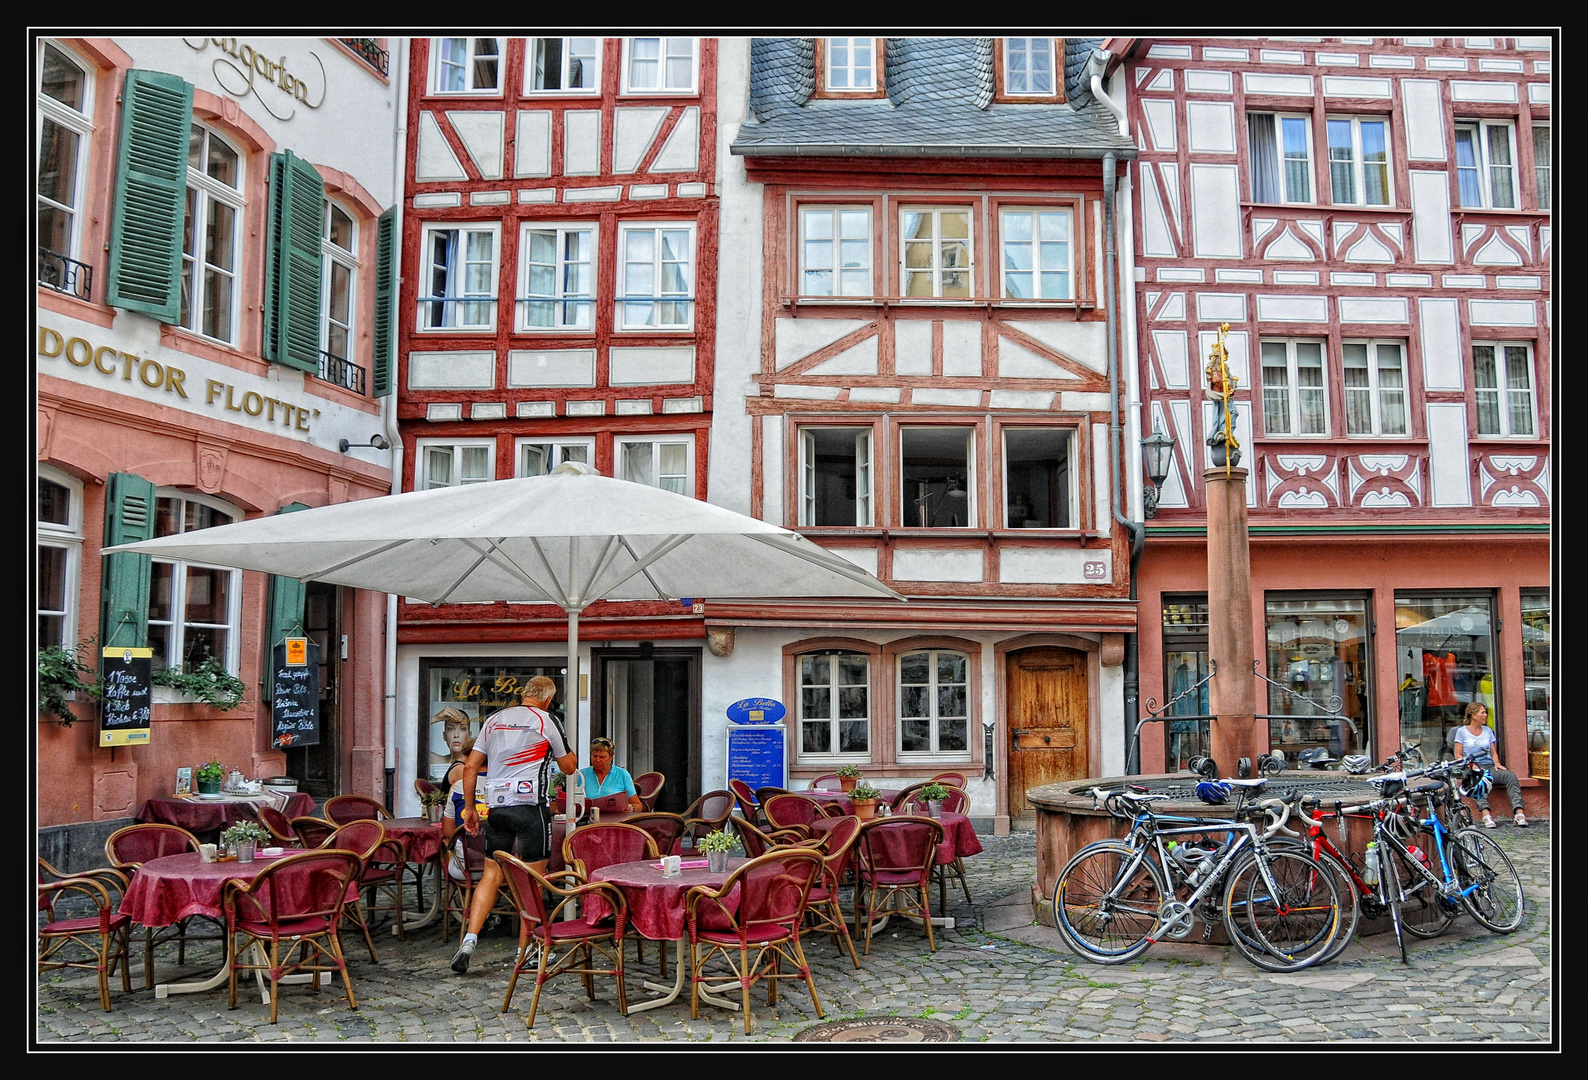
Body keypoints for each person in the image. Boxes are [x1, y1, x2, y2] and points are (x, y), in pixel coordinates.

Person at [450, 675, 577, 974]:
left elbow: (470, 766)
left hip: (497, 807)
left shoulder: (493, 720)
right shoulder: (547, 719)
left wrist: (470, 808)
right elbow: (568, 767)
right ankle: (527, 950)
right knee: (533, 879)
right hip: (531, 807)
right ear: (548, 698)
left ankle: (468, 940)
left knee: (491, 875)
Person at [1453, 701, 1527, 828]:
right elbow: (1458, 755)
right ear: (1474, 715)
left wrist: (1497, 763)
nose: (1486, 715)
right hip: (1471, 768)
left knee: (1510, 776)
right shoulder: (1462, 731)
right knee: (1478, 780)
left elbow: (1493, 752)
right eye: (1483, 712)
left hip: (1488, 766)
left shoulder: (1487, 731)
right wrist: (1471, 765)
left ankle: (1519, 813)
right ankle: (1486, 814)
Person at [576, 737, 644, 813]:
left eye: (602, 757)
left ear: (611, 757)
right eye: (594, 756)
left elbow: (639, 806)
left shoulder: (622, 774)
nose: (597, 760)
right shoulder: (581, 775)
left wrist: (632, 807)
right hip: (588, 820)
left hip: (615, 820)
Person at [429, 706, 473, 782]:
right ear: (444, 735)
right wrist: (435, 718)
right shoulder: (436, 761)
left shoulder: (476, 762)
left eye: (462, 729)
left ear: (469, 735)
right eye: (450, 729)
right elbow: (408, 741)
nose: (456, 735)